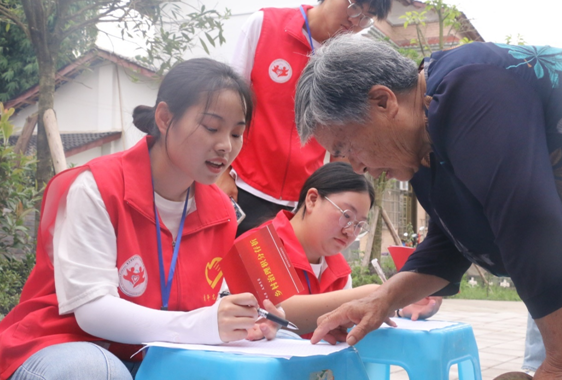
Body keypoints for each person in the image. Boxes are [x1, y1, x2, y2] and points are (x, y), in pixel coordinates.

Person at [294, 34, 562, 379]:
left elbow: (527, 222)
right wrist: (382, 301)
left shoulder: (471, 87)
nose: (355, 167)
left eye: (346, 146)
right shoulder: (422, 151)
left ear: (382, 102)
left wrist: (557, 360)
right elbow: (448, 246)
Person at [0, 58, 283, 380]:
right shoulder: (98, 187)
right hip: (62, 345)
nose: (225, 146)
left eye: (236, 133)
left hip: (154, 354)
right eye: (211, 128)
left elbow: (200, 306)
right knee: (96, 373)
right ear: (165, 118)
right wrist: (200, 325)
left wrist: (243, 321)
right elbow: (93, 311)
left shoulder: (221, 212)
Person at [217, 0, 392, 236]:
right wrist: (222, 172)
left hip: (302, 204)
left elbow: (343, 142)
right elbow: (230, 103)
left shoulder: (352, 61)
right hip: (240, 187)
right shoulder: (264, 25)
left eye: (366, 18)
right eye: (354, 6)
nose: (355, 21)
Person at [239, 162, 441, 338]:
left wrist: (396, 306)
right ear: (312, 200)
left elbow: (347, 313)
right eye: (346, 215)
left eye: (359, 225)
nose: (349, 232)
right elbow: (272, 310)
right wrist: (372, 294)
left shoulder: (338, 271)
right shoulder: (258, 245)